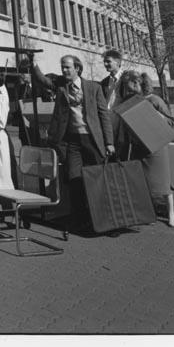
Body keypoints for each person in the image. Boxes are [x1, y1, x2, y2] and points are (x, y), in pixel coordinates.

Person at [32, 54, 115, 233]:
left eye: (67, 67)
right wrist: (34, 63)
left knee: (97, 180)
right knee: (73, 178)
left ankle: (103, 220)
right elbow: (42, 80)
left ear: (77, 68)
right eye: (62, 67)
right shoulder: (61, 86)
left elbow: (104, 116)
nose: (64, 70)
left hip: (92, 140)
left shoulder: (93, 88)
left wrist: (109, 142)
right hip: (72, 141)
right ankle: (80, 219)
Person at [114, 71, 174, 227]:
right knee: (144, 182)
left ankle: (172, 214)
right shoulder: (129, 102)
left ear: (137, 84)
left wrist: (157, 115)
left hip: (157, 147)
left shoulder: (155, 100)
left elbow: (171, 122)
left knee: (164, 182)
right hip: (138, 147)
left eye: (128, 87)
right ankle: (149, 214)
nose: (127, 90)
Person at [101, 49, 124, 134]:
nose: (105, 64)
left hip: (123, 123)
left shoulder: (127, 78)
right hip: (108, 122)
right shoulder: (104, 82)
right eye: (104, 62)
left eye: (108, 61)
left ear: (118, 62)